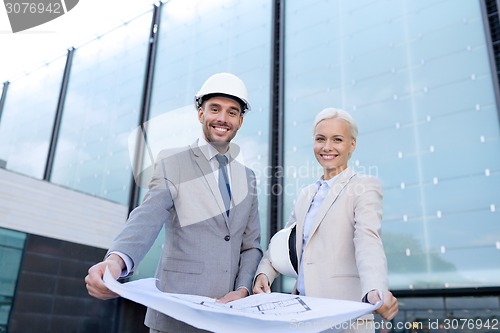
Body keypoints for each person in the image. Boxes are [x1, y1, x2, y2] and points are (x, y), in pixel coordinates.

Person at [85, 73, 262, 333]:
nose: (223, 118)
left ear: (240, 121)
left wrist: (243, 289)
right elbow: (147, 216)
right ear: (201, 114)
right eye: (215, 109)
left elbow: (251, 246)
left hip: (228, 318)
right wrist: (116, 261)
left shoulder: (248, 177)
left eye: (232, 112)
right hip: (175, 315)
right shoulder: (173, 162)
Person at [253, 107, 398, 332]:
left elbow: (368, 241)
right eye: (321, 139)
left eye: (337, 139)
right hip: (302, 316)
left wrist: (375, 289)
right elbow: (284, 242)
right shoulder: (305, 194)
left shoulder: (364, 187)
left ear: (352, 145)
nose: (327, 147)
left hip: (344, 317)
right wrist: (264, 273)